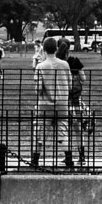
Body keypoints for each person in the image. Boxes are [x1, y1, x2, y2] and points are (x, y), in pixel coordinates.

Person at [31, 37, 71, 169]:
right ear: (56, 48)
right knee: (63, 133)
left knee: (40, 134)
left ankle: (35, 161)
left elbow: (38, 89)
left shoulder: (40, 66)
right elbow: (70, 85)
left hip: (45, 104)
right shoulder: (65, 64)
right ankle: (69, 159)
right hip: (63, 104)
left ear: (44, 49)